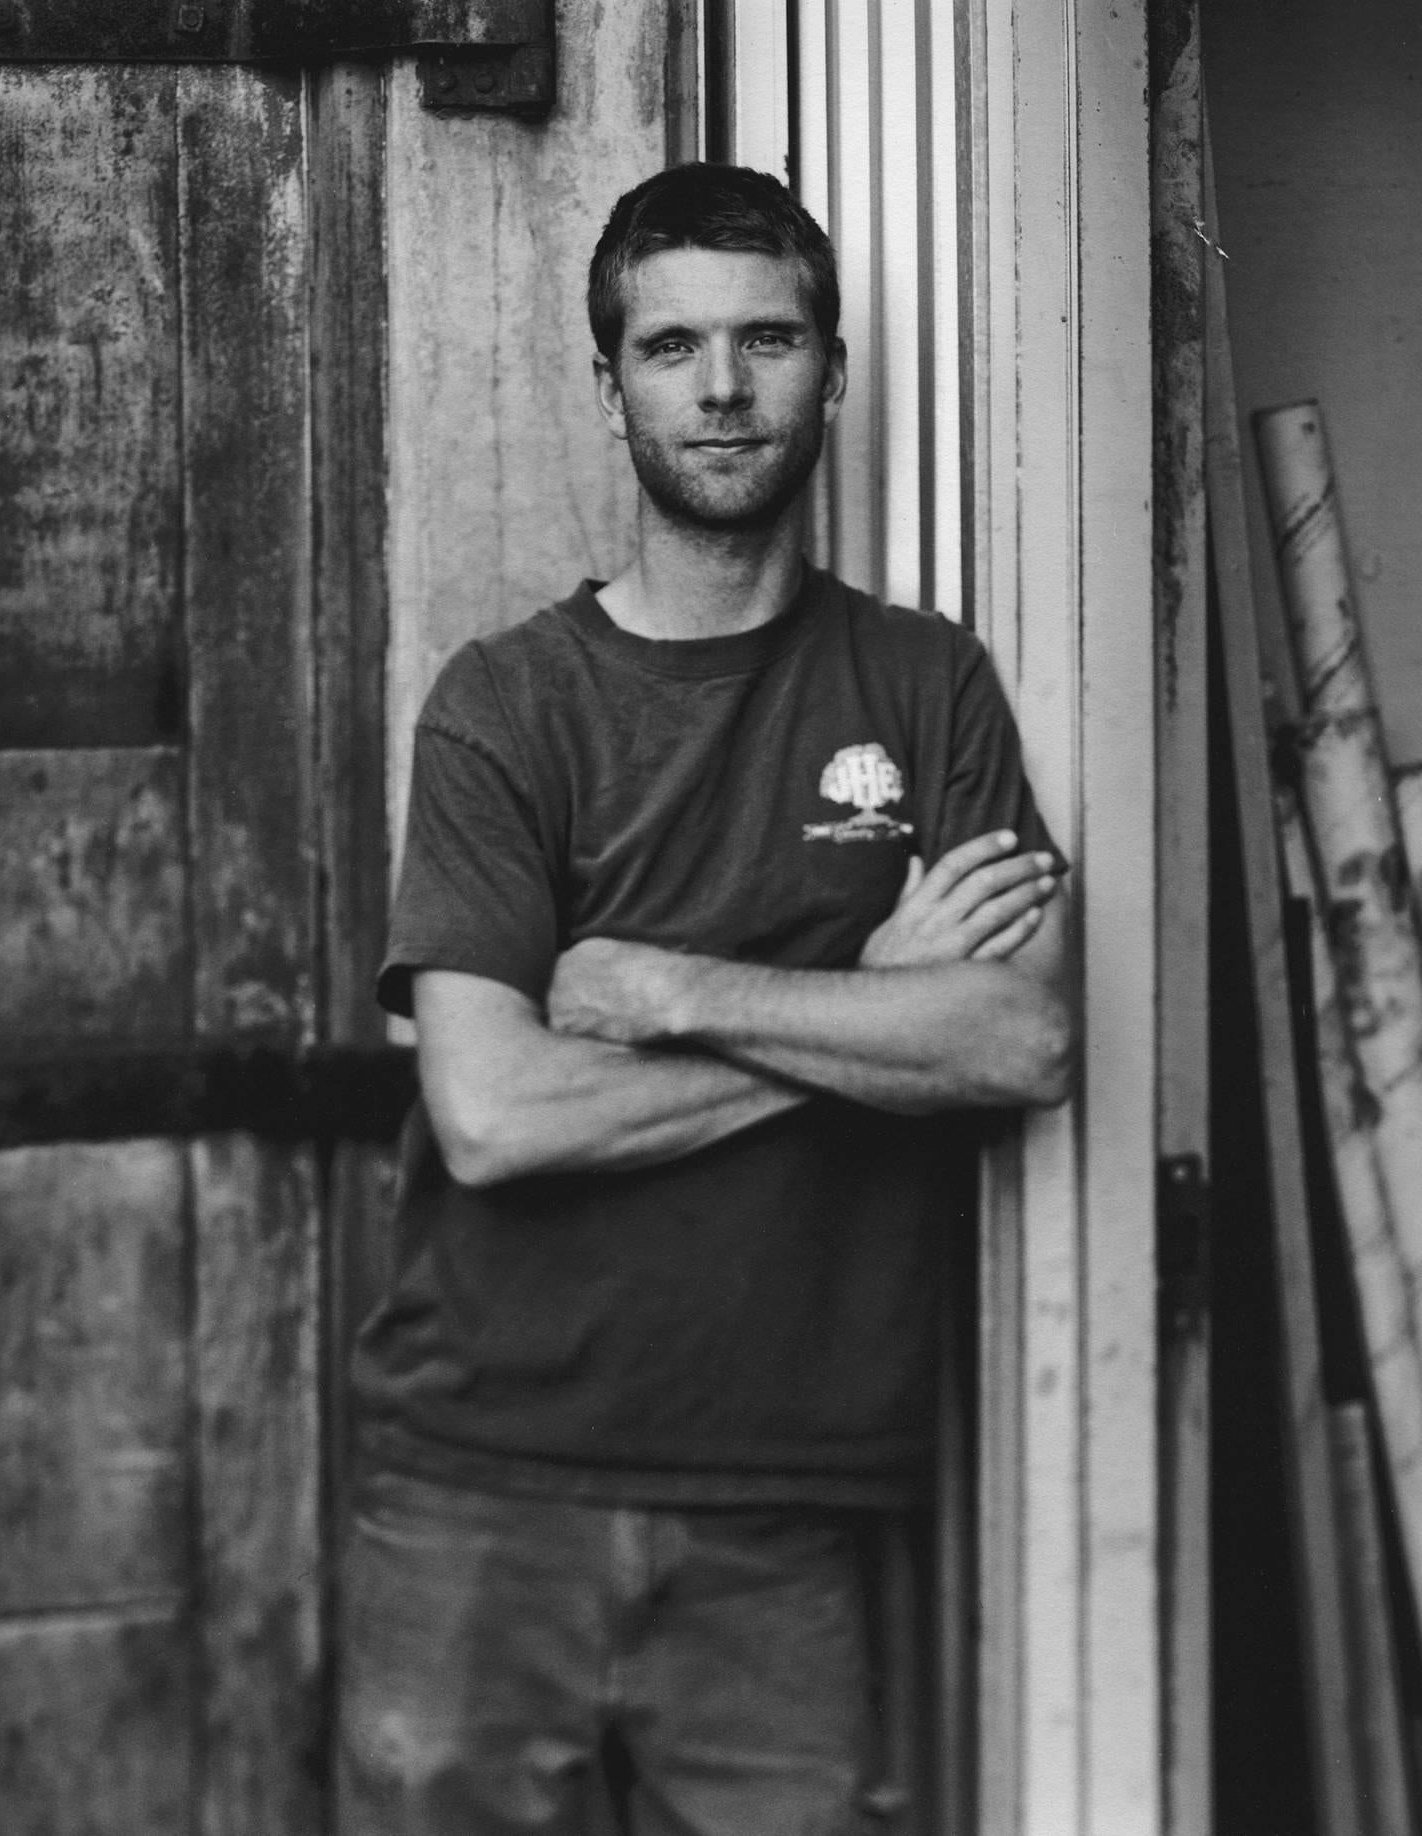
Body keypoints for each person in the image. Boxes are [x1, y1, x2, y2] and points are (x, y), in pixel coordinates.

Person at [340, 162, 1076, 1836]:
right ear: (612, 386)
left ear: (831, 366)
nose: (725, 388)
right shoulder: (506, 706)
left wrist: (667, 992)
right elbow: (499, 1115)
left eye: (769, 338)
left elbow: (1019, 1037)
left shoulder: (922, 680)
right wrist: (869, 1006)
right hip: (482, 1490)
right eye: (672, 347)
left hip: (783, 1513)